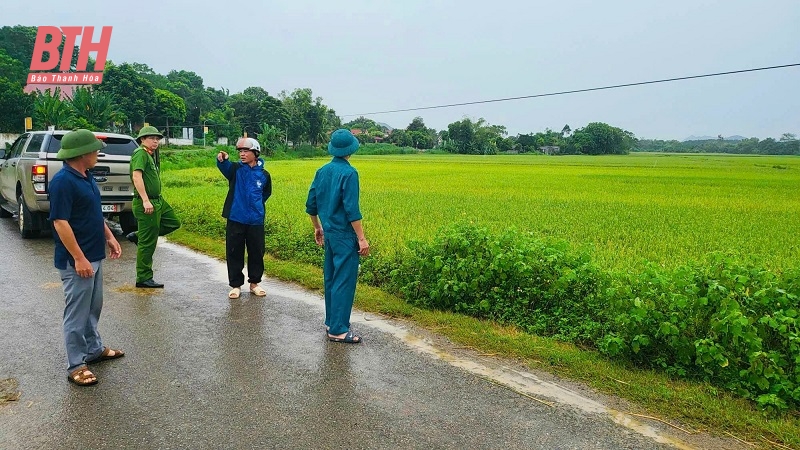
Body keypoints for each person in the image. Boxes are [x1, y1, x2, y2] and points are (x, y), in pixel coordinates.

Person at [49, 129, 125, 386]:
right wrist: (79, 258)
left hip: (94, 254)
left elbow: (92, 213)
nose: (97, 154)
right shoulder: (62, 182)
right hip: (77, 260)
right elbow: (60, 223)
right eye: (94, 150)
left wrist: (109, 236)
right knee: (77, 312)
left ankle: (93, 350)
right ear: (81, 154)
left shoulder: (86, 176)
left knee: (94, 307)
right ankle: (76, 364)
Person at [306, 129, 370, 344]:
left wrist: (318, 228)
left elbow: (311, 205)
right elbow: (352, 210)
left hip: (330, 233)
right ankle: (339, 330)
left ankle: (331, 322)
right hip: (344, 235)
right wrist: (361, 238)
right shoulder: (350, 173)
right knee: (344, 280)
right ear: (351, 149)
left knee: (331, 278)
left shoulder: (322, 171)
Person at [216, 137, 272, 299]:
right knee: (234, 252)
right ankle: (235, 285)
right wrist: (222, 159)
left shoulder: (264, 175)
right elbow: (224, 165)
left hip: (256, 220)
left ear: (255, 153)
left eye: (246, 151)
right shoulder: (235, 170)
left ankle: (254, 283)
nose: (242, 154)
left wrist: (256, 206)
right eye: (240, 151)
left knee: (256, 252)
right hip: (236, 218)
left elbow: (266, 193)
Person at [126, 125, 181, 288]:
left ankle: (138, 235)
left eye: (157, 138)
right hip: (147, 202)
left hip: (158, 200)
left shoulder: (151, 155)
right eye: (151, 138)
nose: (155, 141)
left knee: (173, 222)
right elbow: (137, 177)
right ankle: (143, 277)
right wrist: (145, 200)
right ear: (142, 139)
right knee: (148, 243)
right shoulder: (140, 154)